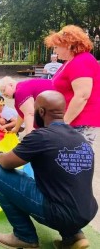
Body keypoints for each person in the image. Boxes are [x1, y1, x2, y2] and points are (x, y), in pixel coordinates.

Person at [0, 90, 97, 249]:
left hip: (59, 214)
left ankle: (24, 235)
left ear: (41, 112)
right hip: (87, 211)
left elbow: (6, 163)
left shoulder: (41, 136)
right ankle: (74, 236)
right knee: (60, 186)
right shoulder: (79, 138)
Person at [44, 24, 100, 205]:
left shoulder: (82, 61)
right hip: (75, 123)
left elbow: (82, 95)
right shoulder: (72, 62)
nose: (55, 50)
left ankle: (73, 212)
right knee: (67, 168)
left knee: (74, 170)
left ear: (68, 44)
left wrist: (63, 123)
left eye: (56, 46)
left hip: (80, 124)